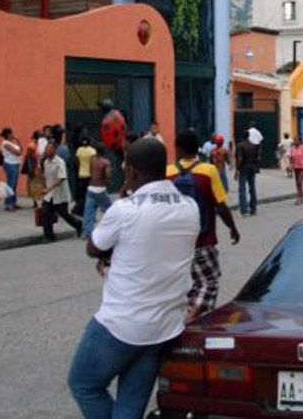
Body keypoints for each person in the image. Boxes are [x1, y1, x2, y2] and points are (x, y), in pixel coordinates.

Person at [68, 138, 201, 418]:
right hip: (164, 326)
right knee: (130, 405)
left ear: (132, 171)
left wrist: (124, 201)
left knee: (83, 384)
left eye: (125, 167)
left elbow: (93, 247)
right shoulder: (189, 206)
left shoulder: (125, 209)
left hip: (121, 324)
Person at [167, 130, 240, 322]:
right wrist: (232, 228)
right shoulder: (208, 171)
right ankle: (191, 320)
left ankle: (185, 322)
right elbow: (221, 206)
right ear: (197, 149)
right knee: (209, 283)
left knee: (184, 287)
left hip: (174, 245)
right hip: (203, 241)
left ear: (178, 148)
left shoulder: (168, 173)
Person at [40, 141, 82, 242]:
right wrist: (44, 187)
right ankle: (48, 236)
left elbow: (61, 178)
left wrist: (49, 188)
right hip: (49, 194)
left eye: (50, 149)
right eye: (46, 148)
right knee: (45, 213)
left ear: (54, 150)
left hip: (60, 193)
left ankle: (79, 225)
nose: (47, 151)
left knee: (64, 214)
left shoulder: (60, 162)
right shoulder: (46, 162)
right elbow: (45, 176)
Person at [235, 130, 259, 217]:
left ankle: (244, 210)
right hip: (252, 168)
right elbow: (257, 158)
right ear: (248, 136)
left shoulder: (240, 145)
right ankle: (253, 208)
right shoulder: (253, 145)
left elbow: (240, 159)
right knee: (252, 188)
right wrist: (255, 167)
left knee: (242, 189)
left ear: (242, 136)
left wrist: (237, 170)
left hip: (243, 168)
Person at [0, 128, 23, 211]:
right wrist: (19, 150)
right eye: (12, 133)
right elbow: (17, 152)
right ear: (8, 135)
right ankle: (8, 203)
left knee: (14, 184)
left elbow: (20, 150)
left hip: (15, 163)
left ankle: (13, 202)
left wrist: (18, 141)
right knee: (11, 184)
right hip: (10, 164)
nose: (13, 135)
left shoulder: (13, 142)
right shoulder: (5, 143)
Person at [75, 136, 97, 216]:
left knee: (82, 193)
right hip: (89, 175)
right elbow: (93, 164)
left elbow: (77, 162)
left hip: (81, 174)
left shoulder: (79, 150)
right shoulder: (92, 151)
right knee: (89, 194)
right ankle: (78, 208)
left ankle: (81, 210)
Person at [22, 135, 44, 209]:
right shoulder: (31, 146)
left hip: (40, 167)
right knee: (33, 185)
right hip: (35, 168)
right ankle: (35, 202)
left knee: (39, 184)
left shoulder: (40, 145)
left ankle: (39, 201)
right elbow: (29, 158)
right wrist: (31, 168)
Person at [289, 136, 303, 205]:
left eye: (296, 140)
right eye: (294, 140)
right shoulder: (292, 148)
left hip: (302, 167)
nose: (295, 141)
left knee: (299, 181)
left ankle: (298, 198)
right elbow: (291, 158)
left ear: (300, 141)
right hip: (295, 167)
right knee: (298, 183)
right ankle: (301, 197)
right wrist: (290, 166)